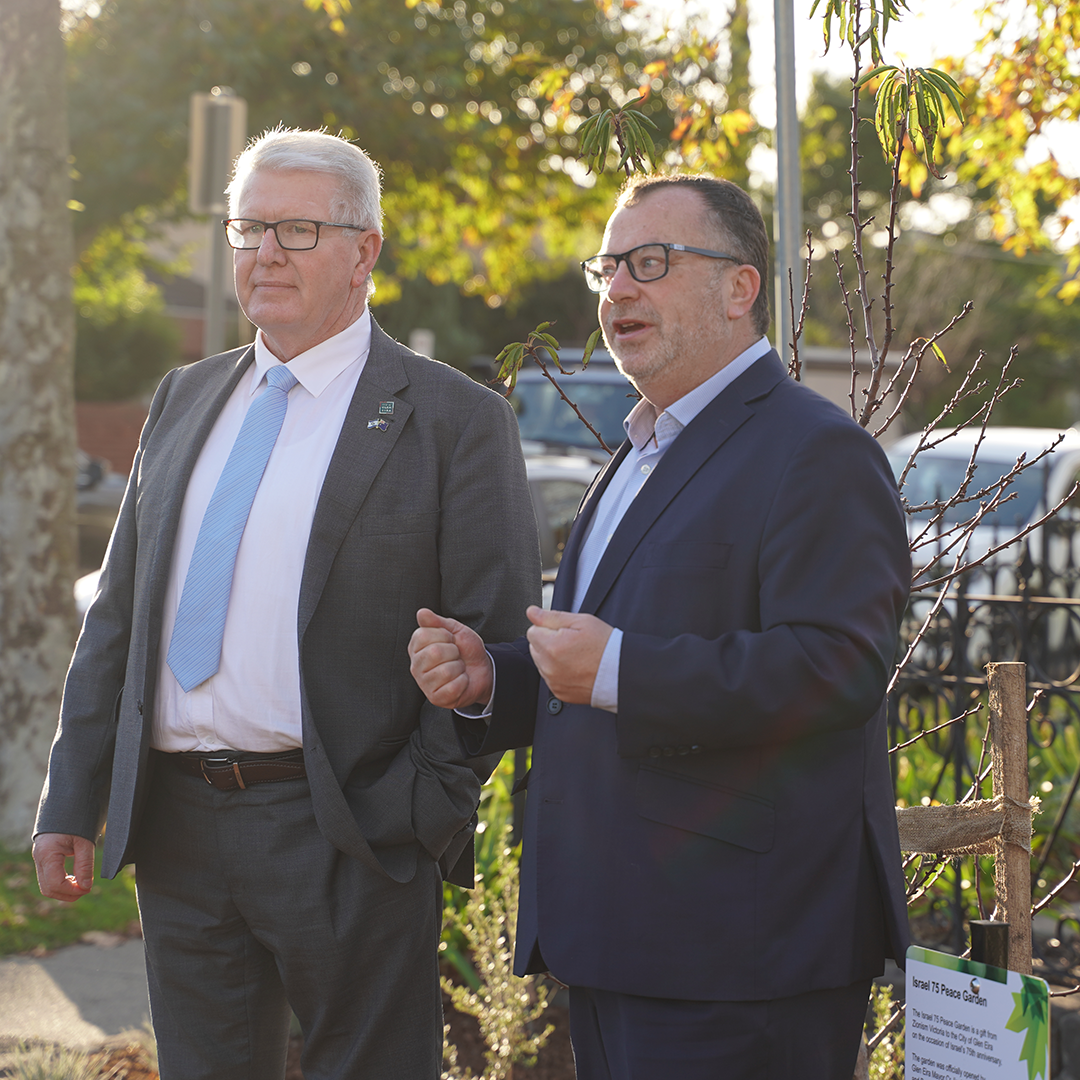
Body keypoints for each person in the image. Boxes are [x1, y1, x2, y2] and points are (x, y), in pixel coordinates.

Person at [33, 127, 540, 1080]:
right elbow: (120, 619)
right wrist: (74, 793)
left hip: (351, 827)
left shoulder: (455, 421)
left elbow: (494, 644)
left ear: (365, 251)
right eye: (249, 227)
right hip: (180, 833)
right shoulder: (185, 396)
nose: (265, 252)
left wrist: (421, 805)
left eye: (298, 230)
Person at [409, 173, 912, 1079]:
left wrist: (616, 670)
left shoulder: (815, 451)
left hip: (741, 957)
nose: (617, 291)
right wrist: (499, 679)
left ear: (739, 287)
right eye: (606, 268)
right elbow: (597, 665)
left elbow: (839, 667)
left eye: (649, 263)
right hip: (616, 940)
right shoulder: (638, 453)